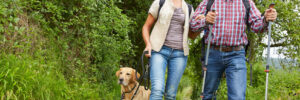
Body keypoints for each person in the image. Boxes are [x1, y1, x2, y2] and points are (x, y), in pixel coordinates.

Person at [190, 0, 277, 99]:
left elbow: (257, 26)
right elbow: (193, 24)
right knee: (207, 95)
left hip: (236, 55)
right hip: (213, 53)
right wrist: (205, 20)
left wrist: (265, 19)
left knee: (237, 96)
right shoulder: (209, 2)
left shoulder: (246, 2)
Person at [141, 0, 198, 99]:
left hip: (179, 54)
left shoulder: (189, 8)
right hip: (159, 51)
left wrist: (201, 25)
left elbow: (192, 35)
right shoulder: (160, 3)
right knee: (157, 90)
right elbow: (146, 27)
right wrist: (148, 44)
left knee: (171, 94)